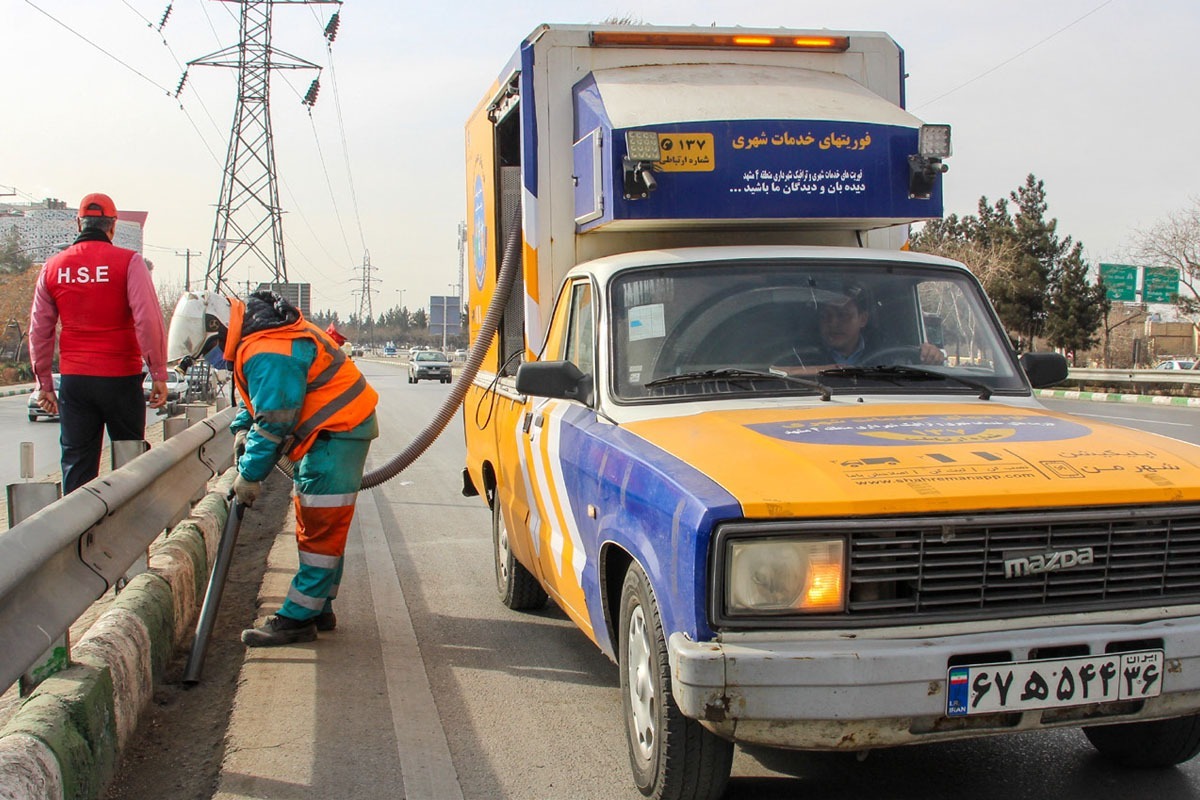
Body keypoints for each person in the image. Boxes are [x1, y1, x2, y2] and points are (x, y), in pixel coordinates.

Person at [167, 289, 379, 647]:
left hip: (336, 432)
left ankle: (297, 620)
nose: (213, 360)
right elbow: (260, 402)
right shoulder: (259, 339)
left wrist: (249, 475)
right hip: (336, 431)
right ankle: (317, 607)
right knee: (318, 522)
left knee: (320, 529)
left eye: (208, 352)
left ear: (217, 328)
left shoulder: (266, 348)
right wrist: (240, 430)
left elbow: (274, 421)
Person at [28, 192, 168, 494]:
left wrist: (45, 384)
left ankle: (79, 536)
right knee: (130, 464)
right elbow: (148, 320)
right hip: (122, 380)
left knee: (77, 466)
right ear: (113, 226)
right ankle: (129, 533)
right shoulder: (129, 262)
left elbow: (39, 330)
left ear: (79, 222)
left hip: (76, 382)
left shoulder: (53, 268)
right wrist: (158, 373)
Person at [784, 283, 943, 370]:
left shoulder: (890, 353)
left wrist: (932, 357)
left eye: (843, 315)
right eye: (826, 316)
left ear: (863, 319)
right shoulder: (801, 353)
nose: (833, 323)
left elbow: (915, 375)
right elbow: (776, 372)